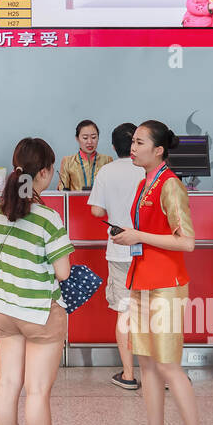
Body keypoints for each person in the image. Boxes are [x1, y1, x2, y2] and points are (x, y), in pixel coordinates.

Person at [111, 120, 209, 425]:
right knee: (148, 363)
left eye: (139, 142)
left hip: (166, 286)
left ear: (159, 150)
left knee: (168, 366)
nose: (132, 147)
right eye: (133, 142)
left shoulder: (170, 186)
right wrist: (134, 236)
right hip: (142, 283)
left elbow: (187, 242)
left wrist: (138, 234)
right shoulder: (144, 183)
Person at [0, 137, 74, 425]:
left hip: (4, 310)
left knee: (7, 385)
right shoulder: (48, 217)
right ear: (45, 172)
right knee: (36, 391)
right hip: (40, 314)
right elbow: (63, 272)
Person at [88, 122, 143, 390]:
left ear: (112, 147)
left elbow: (96, 212)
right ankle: (162, 374)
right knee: (153, 311)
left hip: (120, 250)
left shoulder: (106, 171)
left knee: (124, 312)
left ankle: (129, 374)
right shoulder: (148, 170)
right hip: (149, 249)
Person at [57, 120, 112, 191]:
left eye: (93, 137)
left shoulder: (107, 160)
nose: (90, 142)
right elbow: (63, 191)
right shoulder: (68, 161)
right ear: (77, 138)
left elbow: (111, 188)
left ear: (98, 137)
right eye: (85, 138)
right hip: (75, 202)